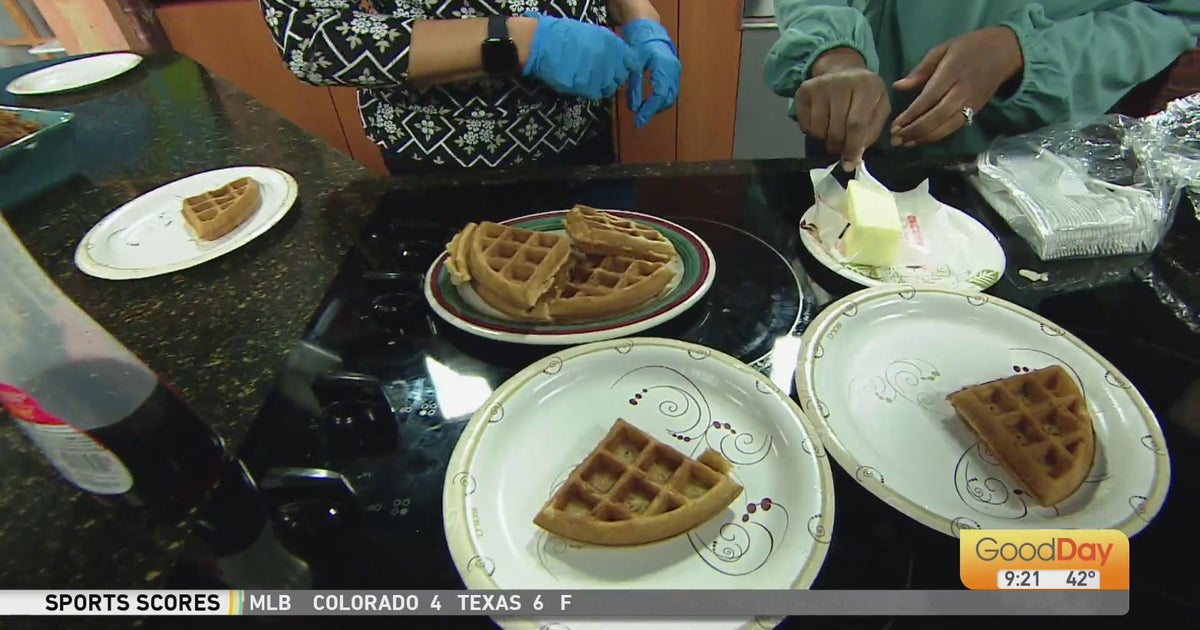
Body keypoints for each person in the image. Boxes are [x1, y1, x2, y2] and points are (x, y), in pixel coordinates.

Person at [763, 1, 1200, 170]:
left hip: (1036, 175)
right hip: (854, 139)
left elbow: (1173, 14)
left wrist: (1026, 53)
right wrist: (833, 51)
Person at [258, 1, 680, 176]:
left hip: (586, 138)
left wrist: (643, 18)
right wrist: (518, 42)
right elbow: (313, 40)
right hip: (443, 165)